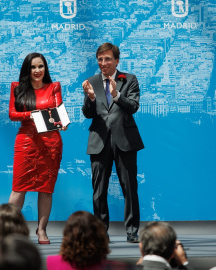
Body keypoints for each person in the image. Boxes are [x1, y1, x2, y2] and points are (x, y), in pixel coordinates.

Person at [82, 42, 144, 243]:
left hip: (124, 140)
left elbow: (133, 106)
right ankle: (100, 232)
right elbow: (87, 114)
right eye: (100, 59)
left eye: (107, 59)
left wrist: (117, 95)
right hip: (99, 141)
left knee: (129, 187)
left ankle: (132, 231)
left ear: (116, 60)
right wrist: (90, 98)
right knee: (99, 189)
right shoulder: (91, 81)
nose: (103, 63)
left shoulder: (129, 79)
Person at [8, 52, 67, 244]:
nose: (37, 71)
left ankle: (42, 230)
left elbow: (59, 111)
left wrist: (63, 122)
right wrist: (31, 115)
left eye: (40, 66)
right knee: (18, 188)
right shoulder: (17, 88)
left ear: (45, 68)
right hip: (26, 141)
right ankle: (8, 229)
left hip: (50, 143)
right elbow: (12, 113)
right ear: (27, 69)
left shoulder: (54, 87)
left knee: (46, 188)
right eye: (33, 67)